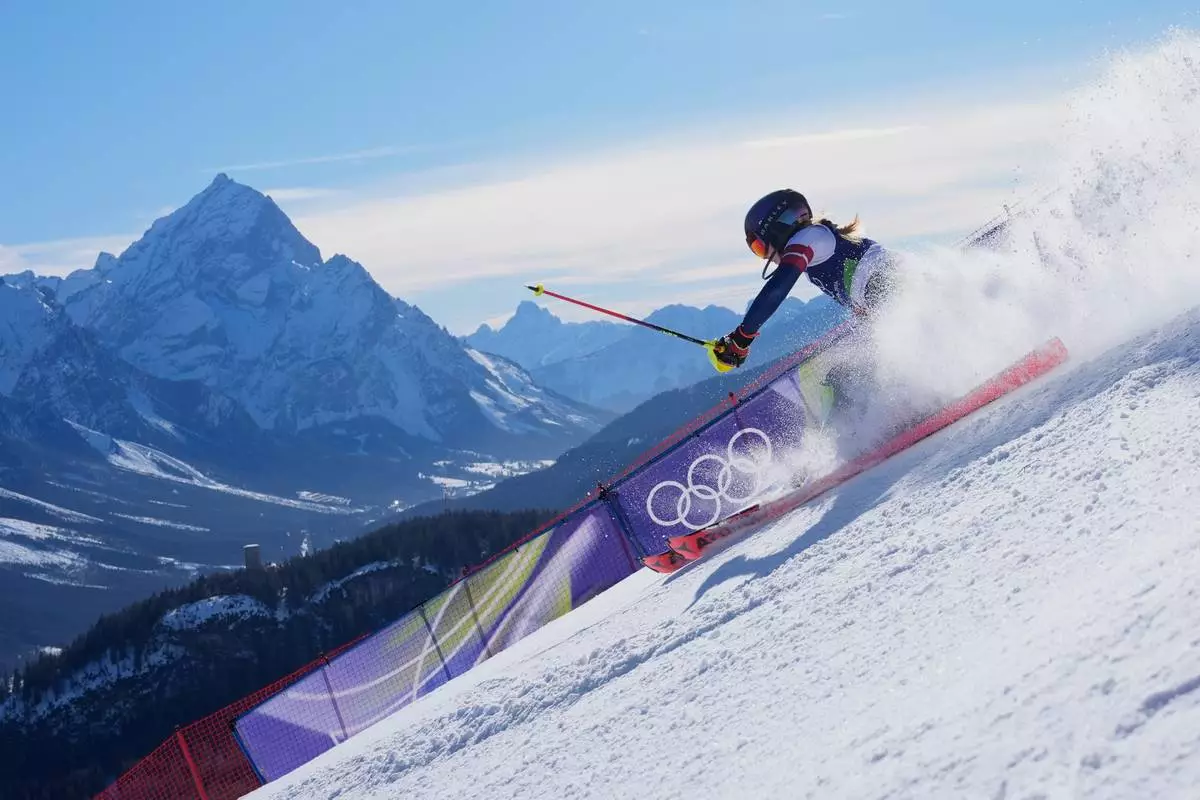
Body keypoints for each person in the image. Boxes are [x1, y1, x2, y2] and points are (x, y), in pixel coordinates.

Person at [711, 189, 899, 370]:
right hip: (893, 289)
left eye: (759, 247)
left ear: (777, 229)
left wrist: (743, 337)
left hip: (891, 286)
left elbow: (777, 289)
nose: (765, 256)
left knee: (843, 380)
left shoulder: (806, 238)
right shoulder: (815, 244)